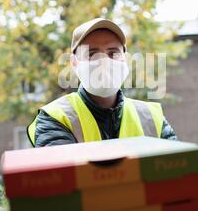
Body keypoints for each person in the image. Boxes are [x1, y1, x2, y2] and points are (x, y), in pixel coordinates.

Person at [27, 18, 178, 147]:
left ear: (125, 59)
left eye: (113, 53)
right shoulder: (55, 117)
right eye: (92, 54)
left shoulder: (151, 117)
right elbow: (62, 176)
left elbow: (178, 172)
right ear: (74, 63)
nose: (104, 61)